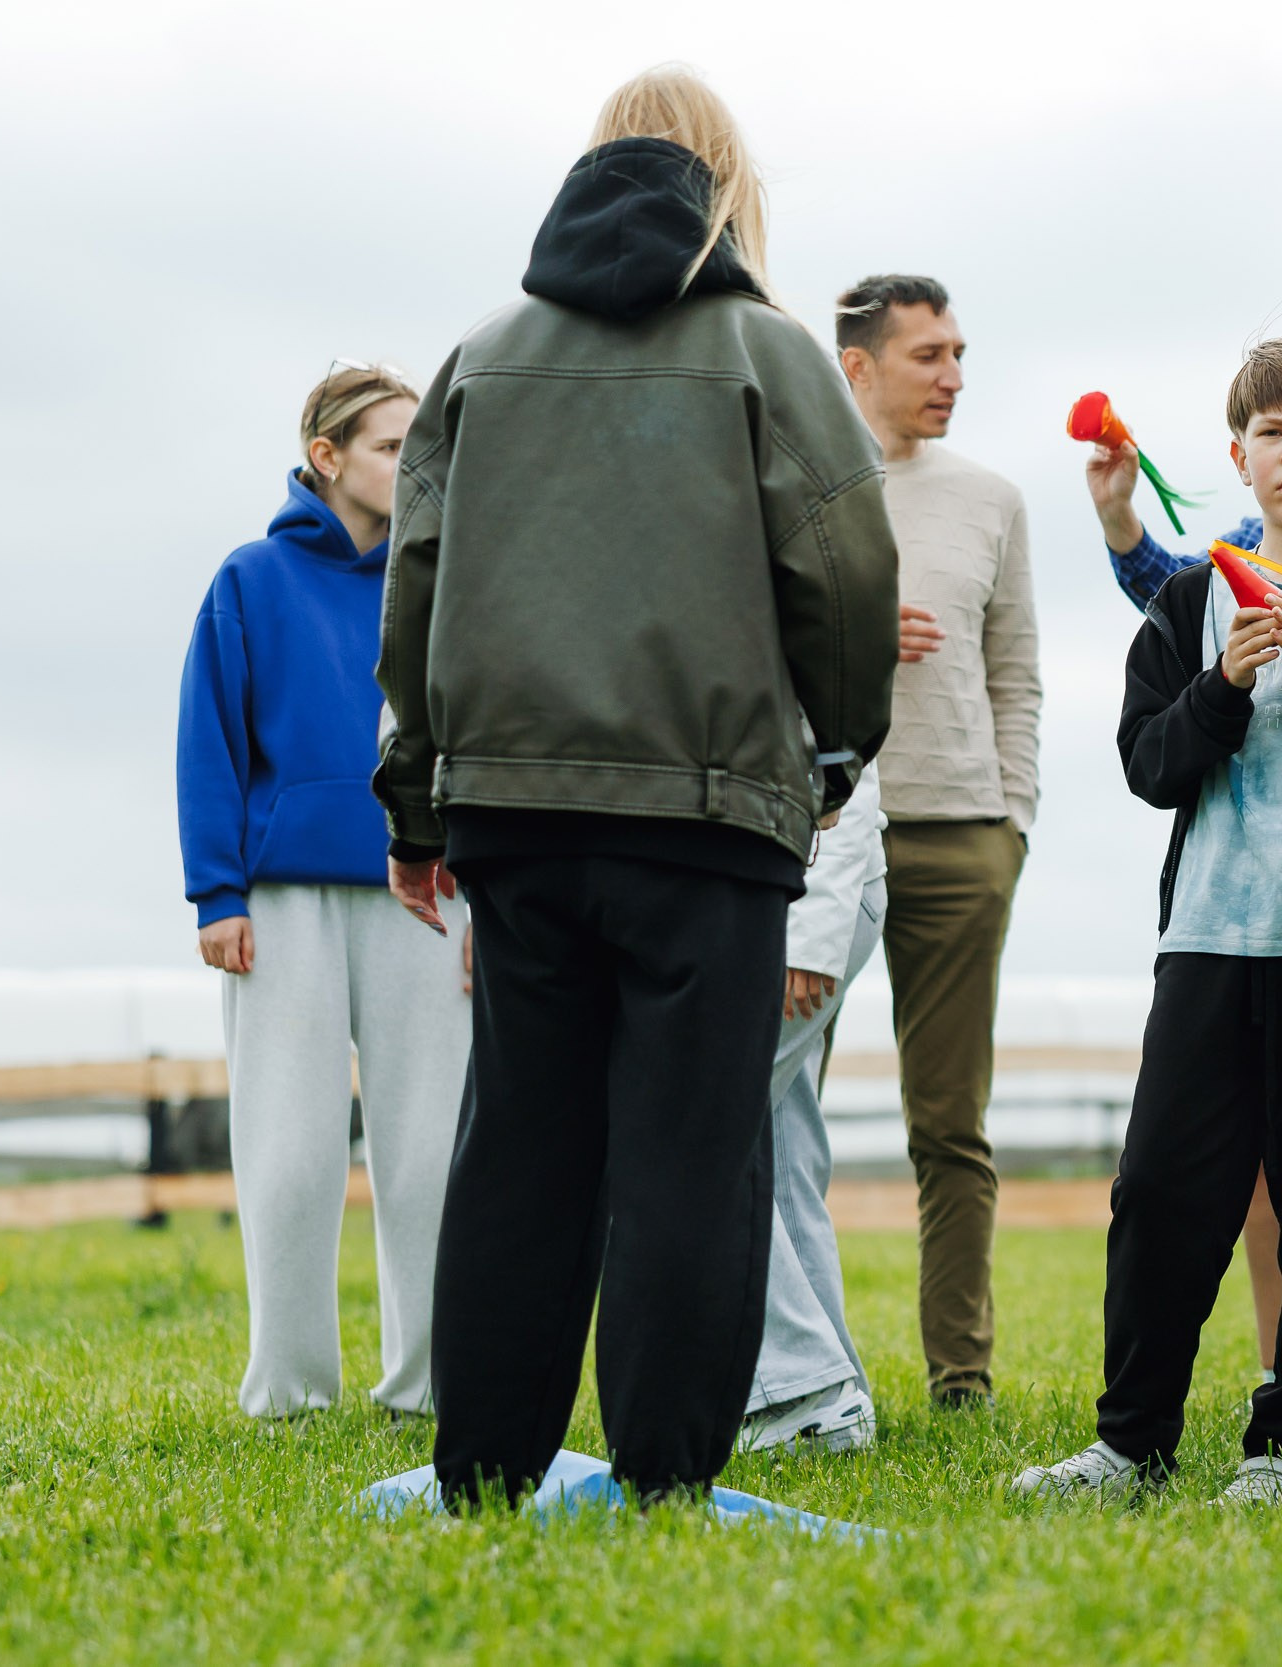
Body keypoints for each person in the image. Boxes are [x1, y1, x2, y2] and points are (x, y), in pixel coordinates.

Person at [374, 65, 899, 1508]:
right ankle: (666, 1478)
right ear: (726, 185)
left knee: (519, 1142)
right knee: (690, 1151)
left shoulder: (480, 358)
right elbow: (848, 568)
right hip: (709, 818)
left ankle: (486, 1470)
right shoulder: (768, 352)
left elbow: (412, 593)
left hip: (516, 816)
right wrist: (837, 751)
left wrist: (418, 802)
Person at [1016, 336, 1282, 1505]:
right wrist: (1222, 684)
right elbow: (1149, 764)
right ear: (1237, 457)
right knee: (1159, 1194)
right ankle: (1129, 1444)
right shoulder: (1185, 600)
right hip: (1207, 940)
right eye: (1271, 432)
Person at [177, 362, 471, 1421]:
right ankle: (290, 1393)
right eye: (393, 446)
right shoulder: (250, 580)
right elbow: (207, 739)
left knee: (429, 1152)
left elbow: (478, 740)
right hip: (283, 901)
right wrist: (217, 894)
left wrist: (484, 894)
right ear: (327, 456)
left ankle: (427, 1389)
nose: (414, 464)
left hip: (427, 897)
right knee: (291, 1153)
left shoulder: (444, 582)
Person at [835, 273, 1041, 1409]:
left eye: (959, 352)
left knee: (950, 1127)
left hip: (962, 836)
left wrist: (1013, 823)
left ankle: (961, 1379)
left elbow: (1017, 673)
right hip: (818, 836)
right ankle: (792, 1370)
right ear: (857, 366)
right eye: (929, 355)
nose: (954, 375)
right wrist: (855, 631)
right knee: (769, 1110)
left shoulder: (992, 499)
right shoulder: (792, 487)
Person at [734, 764, 889, 1456]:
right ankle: (833, 1390)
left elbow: (845, 757)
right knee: (777, 1144)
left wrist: (816, 931)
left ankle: (803, 1391)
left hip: (805, 902)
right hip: (775, 904)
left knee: (687, 1129)